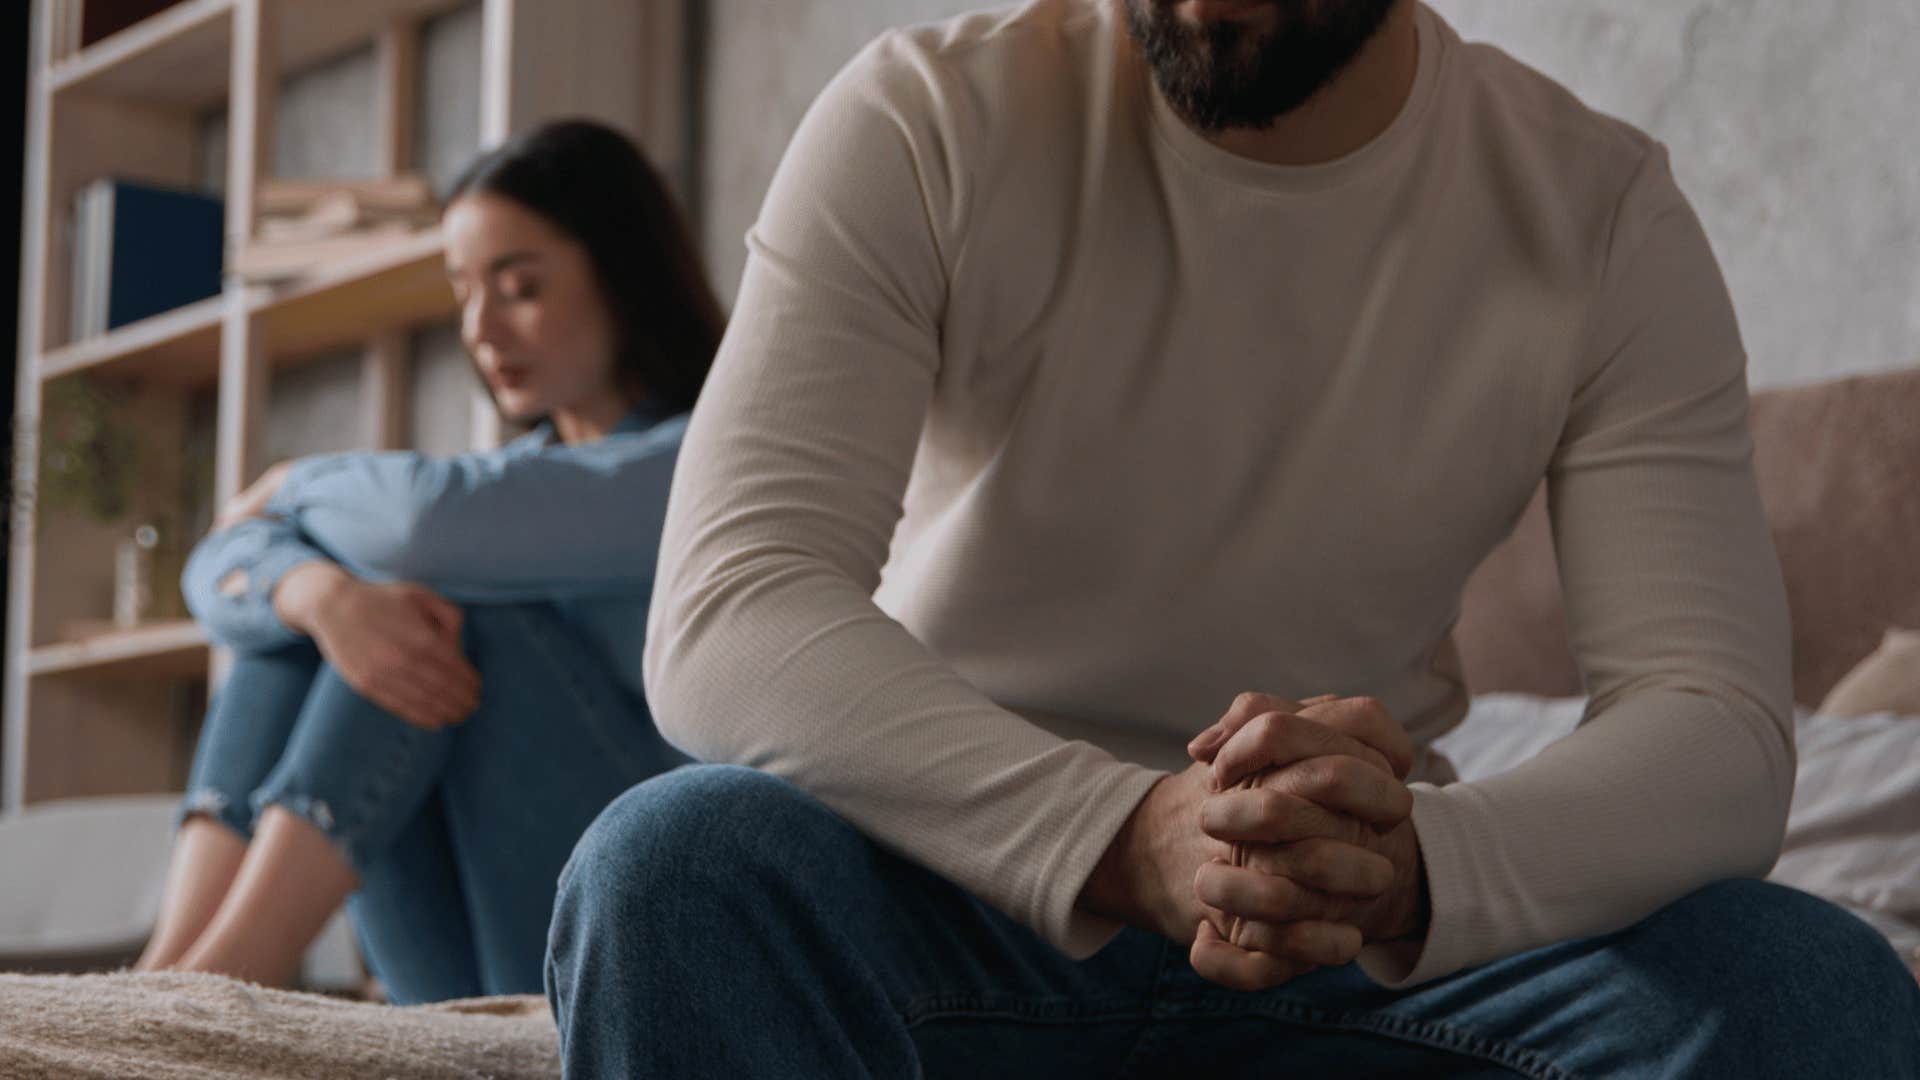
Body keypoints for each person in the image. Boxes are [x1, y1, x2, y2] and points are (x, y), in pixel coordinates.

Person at [544, 0, 1920, 1075]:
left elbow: (1720, 730)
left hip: (1361, 935)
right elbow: (732, 606)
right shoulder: (927, 115)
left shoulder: (1599, 214)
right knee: (676, 868)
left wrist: (1419, 869)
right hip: (964, 886)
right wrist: (1123, 832)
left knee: (1807, 985)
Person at [134, 118, 725, 1004]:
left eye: (519, 286)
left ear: (622, 275)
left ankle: (225, 978)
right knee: (326, 612)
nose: (481, 330)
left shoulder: (699, 462)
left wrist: (293, 481)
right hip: (469, 953)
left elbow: (422, 527)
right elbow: (216, 566)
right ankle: (172, 970)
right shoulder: (512, 488)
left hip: (638, 933)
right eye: (463, 293)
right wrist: (314, 594)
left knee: (439, 604)